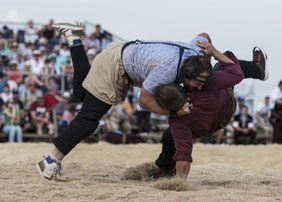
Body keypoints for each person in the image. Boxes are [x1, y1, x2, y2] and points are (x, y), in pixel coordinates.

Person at [36, 22, 212, 180]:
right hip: (116, 65)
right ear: (186, 74)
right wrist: (174, 112)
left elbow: (204, 35)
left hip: (120, 51)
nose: (198, 88)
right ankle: (51, 161)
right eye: (197, 83)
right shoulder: (167, 70)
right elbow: (143, 101)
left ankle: (73, 38)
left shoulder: (196, 53)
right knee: (90, 116)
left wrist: (213, 55)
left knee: (82, 93)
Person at [151, 41, 268, 180]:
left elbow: (184, 155)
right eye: (197, 84)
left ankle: (166, 170)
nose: (199, 87)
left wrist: (180, 181)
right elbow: (237, 73)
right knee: (222, 65)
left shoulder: (177, 121)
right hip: (225, 110)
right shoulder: (211, 82)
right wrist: (214, 52)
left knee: (169, 136)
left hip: (206, 127)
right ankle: (258, 70)